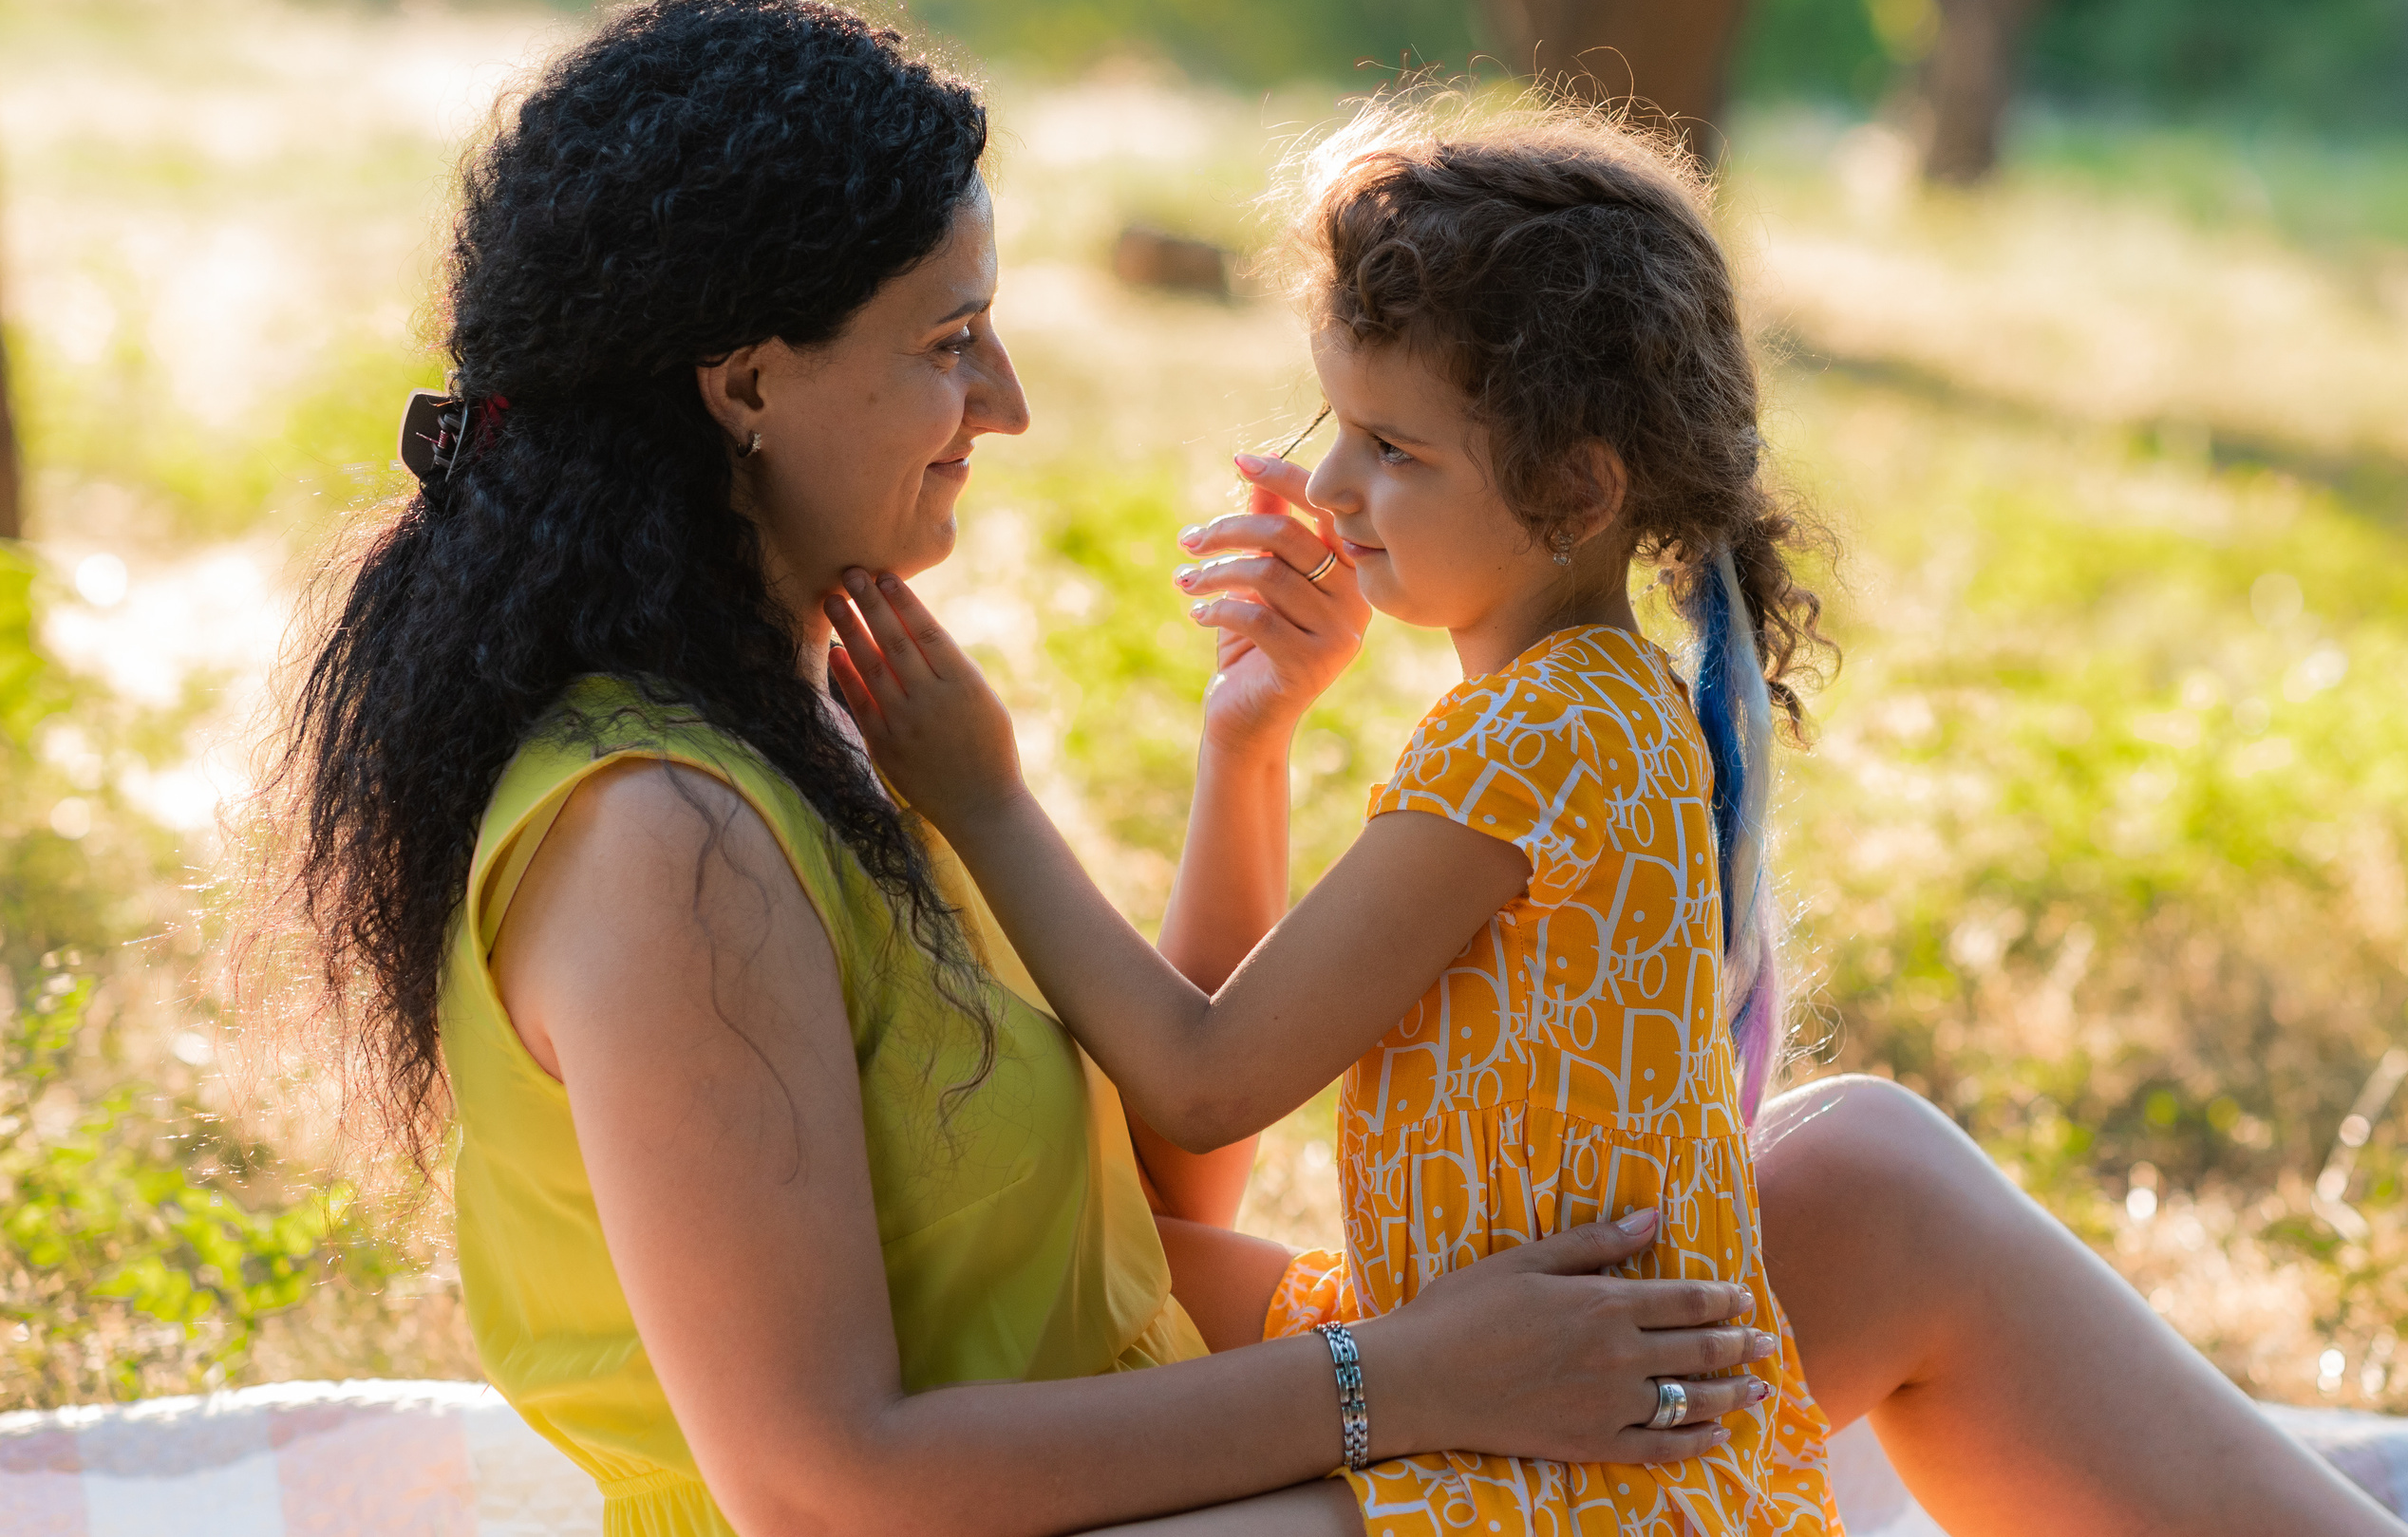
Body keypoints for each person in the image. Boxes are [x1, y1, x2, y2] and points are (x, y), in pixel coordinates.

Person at [256, 0, 2401, 1537]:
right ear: (743, 382)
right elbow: (825, 1483)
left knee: (1853, 1176)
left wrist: (1245, 749)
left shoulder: (806, 698)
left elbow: (1153, 1171)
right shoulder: (660, 839)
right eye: (943, 340)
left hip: (1120, 1426)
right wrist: (1399, 1382)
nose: (999, 403)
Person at [819, 96, 2408, 1537]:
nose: (1336, 493)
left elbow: (1207, 1075)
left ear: (1576, 495)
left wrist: (986, 792)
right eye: (1336, 430)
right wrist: (1253, 737)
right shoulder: (1610, 702)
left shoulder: (1531, 737)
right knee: (1145, 1281)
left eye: (1396, 449)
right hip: (1549, 1382)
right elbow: (1168, 1192)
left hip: (1550, 1473)